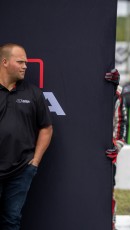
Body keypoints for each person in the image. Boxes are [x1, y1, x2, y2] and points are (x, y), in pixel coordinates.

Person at [0, 43, 53, 229]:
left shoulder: (33, 93)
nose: (25, 66)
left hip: (21, 171)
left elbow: (46, 128)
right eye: (20, 62)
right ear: (5, 62)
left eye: (26, 62)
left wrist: (35, 161)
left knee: (11, 220)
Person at [104, 69, 127, 230]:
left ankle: (110, 224)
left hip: (104, 153)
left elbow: (121, 122)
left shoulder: (116, 93)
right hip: (79, 150)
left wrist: (116, 145)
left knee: (107, 189)